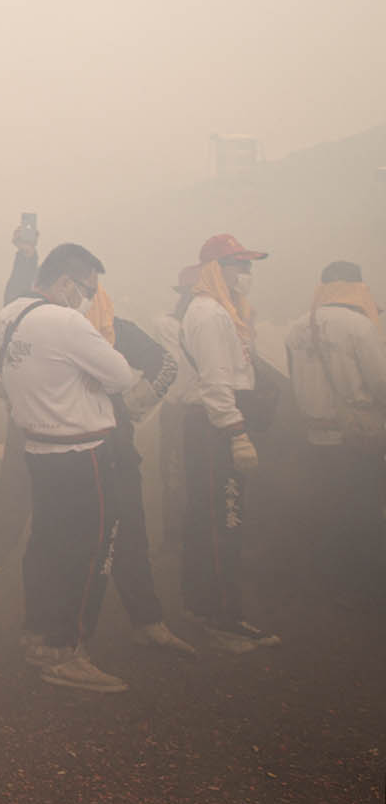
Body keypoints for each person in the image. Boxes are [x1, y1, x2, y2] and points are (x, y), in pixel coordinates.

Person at [0, 228, 192, 656]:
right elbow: (120, 376)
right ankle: (65, 642)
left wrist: (134, 407)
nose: (90, 299)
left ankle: (143, 618)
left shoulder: (113, 329)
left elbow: (164, 367)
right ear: (65, 283)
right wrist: (17, 392)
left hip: (105, 444)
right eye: (85, 289)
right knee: (83, 543)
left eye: (95, 292)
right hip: (80, 446)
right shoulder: (60, 322)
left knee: (123, 533)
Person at [169, 233, 282, 652]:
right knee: (224, 521)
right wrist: (236, 433)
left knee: (205, 518)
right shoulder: (210, 313)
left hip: (211, 423)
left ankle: (199, 604)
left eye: (249, 266)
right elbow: (217, 381)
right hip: (217, 425)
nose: (246, 274)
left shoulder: (219, 311)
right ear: (216, 269)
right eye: (239, 265)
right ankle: (224, 618)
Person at [284, 261, 386, 600]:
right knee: (362, 512)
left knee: (326, 508)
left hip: (314, 437)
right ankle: (361, 589)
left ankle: (327, 584)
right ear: (358, 287)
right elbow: (381, 383)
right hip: (356, 438)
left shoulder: (296, 328)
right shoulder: (360, 326)